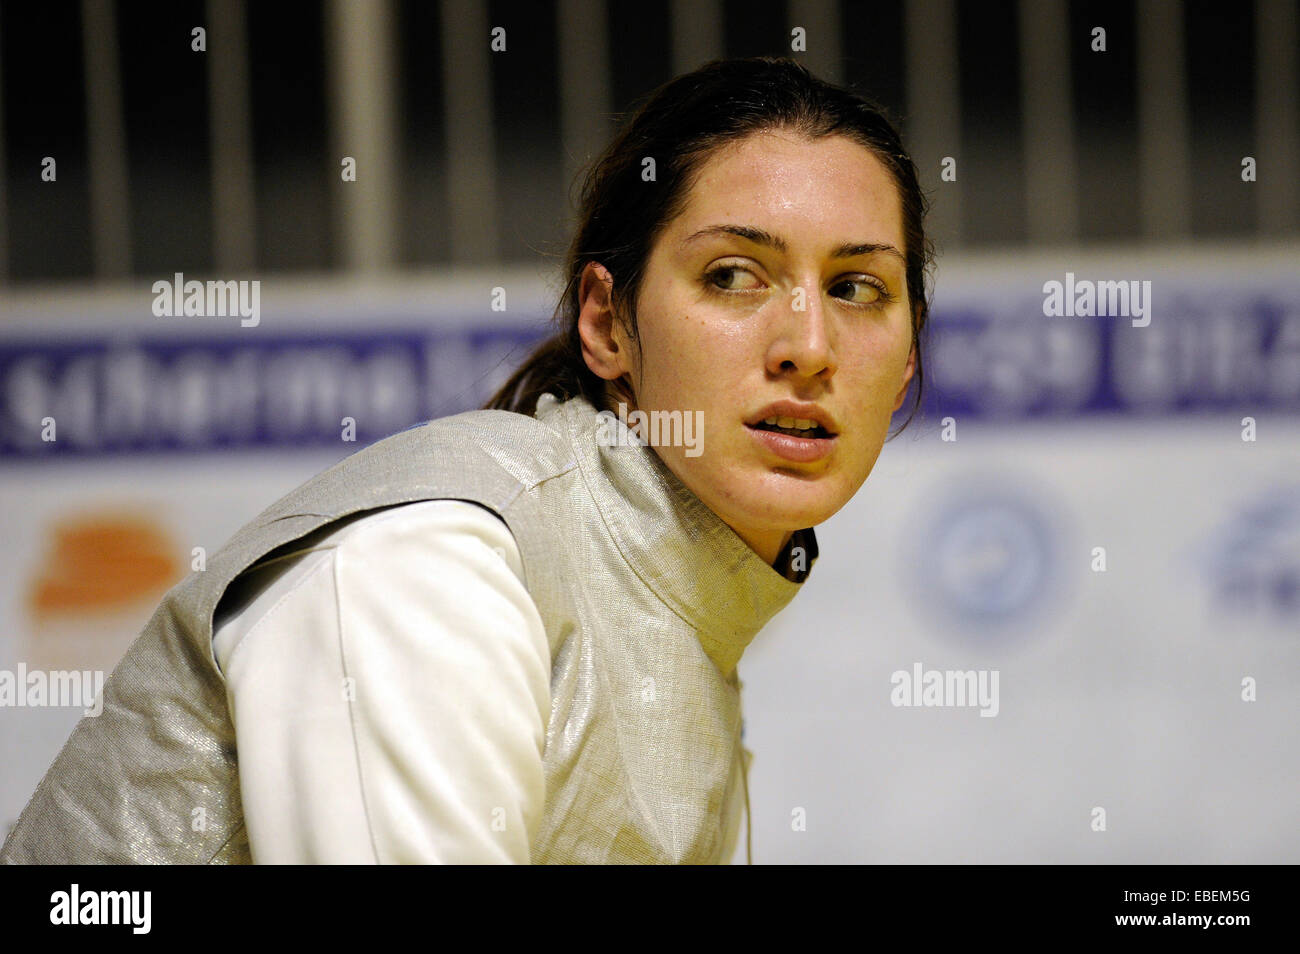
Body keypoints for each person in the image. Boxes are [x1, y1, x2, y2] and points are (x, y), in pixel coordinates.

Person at [0, 55, 931, 865]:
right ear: (607, 324)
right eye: (733, 274)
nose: (807, 345)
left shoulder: (693, 618)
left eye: (857, 288)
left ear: (906, 370)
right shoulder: (431, 563)